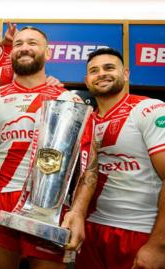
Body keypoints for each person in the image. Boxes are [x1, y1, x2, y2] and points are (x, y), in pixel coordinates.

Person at [0, 26, 97, 269]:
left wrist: (78, 212)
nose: (24, 48)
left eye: (32, 43)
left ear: (48, 53)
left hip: (50, 205)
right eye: (18, 44)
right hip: (0, 202)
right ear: (10, 53)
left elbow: (88, 166)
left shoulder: (69, 100)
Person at [75, 48, 165, 269]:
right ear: (87, 81)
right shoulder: (85, 121)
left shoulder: (148, 109)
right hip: (89, 230)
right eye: (94, 71)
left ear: (126, 74)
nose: (101, 74)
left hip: (139, 230)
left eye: (109, 67)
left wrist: (158, 245)